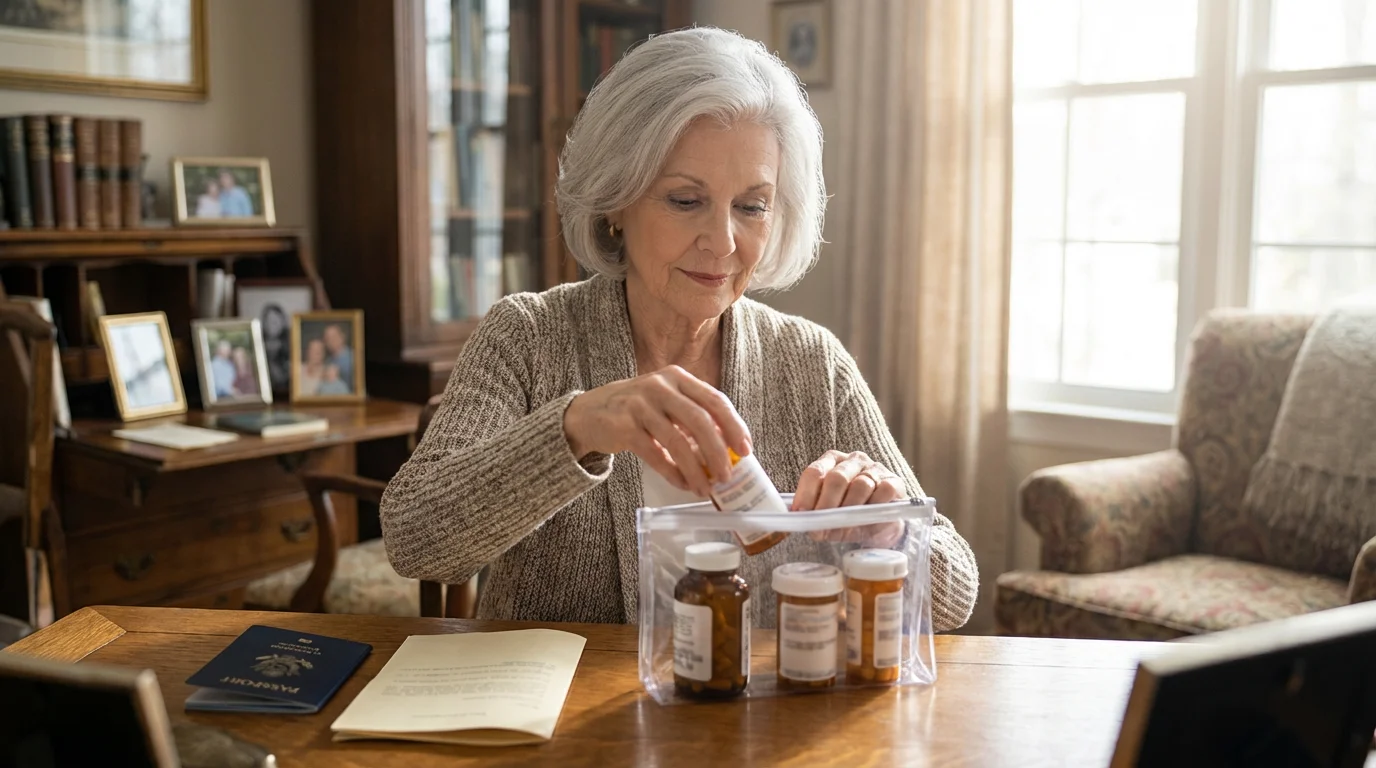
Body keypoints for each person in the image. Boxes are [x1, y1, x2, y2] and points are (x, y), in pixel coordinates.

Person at [378, 28, 978, 630]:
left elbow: (955, 597)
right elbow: (415, 540)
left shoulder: (812, 364)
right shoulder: (529, 336)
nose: (722, 242)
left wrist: (891, 531)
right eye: (686, 201)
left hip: (756, 719)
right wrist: (577, 425)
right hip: (564, 715)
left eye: (752, 206)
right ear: (616, 200)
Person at [259, 304, 291, 391]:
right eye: (268, 321)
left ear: (282, 322)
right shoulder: (258, 341)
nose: (271, 325)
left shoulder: (290, 343)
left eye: (275, 321)